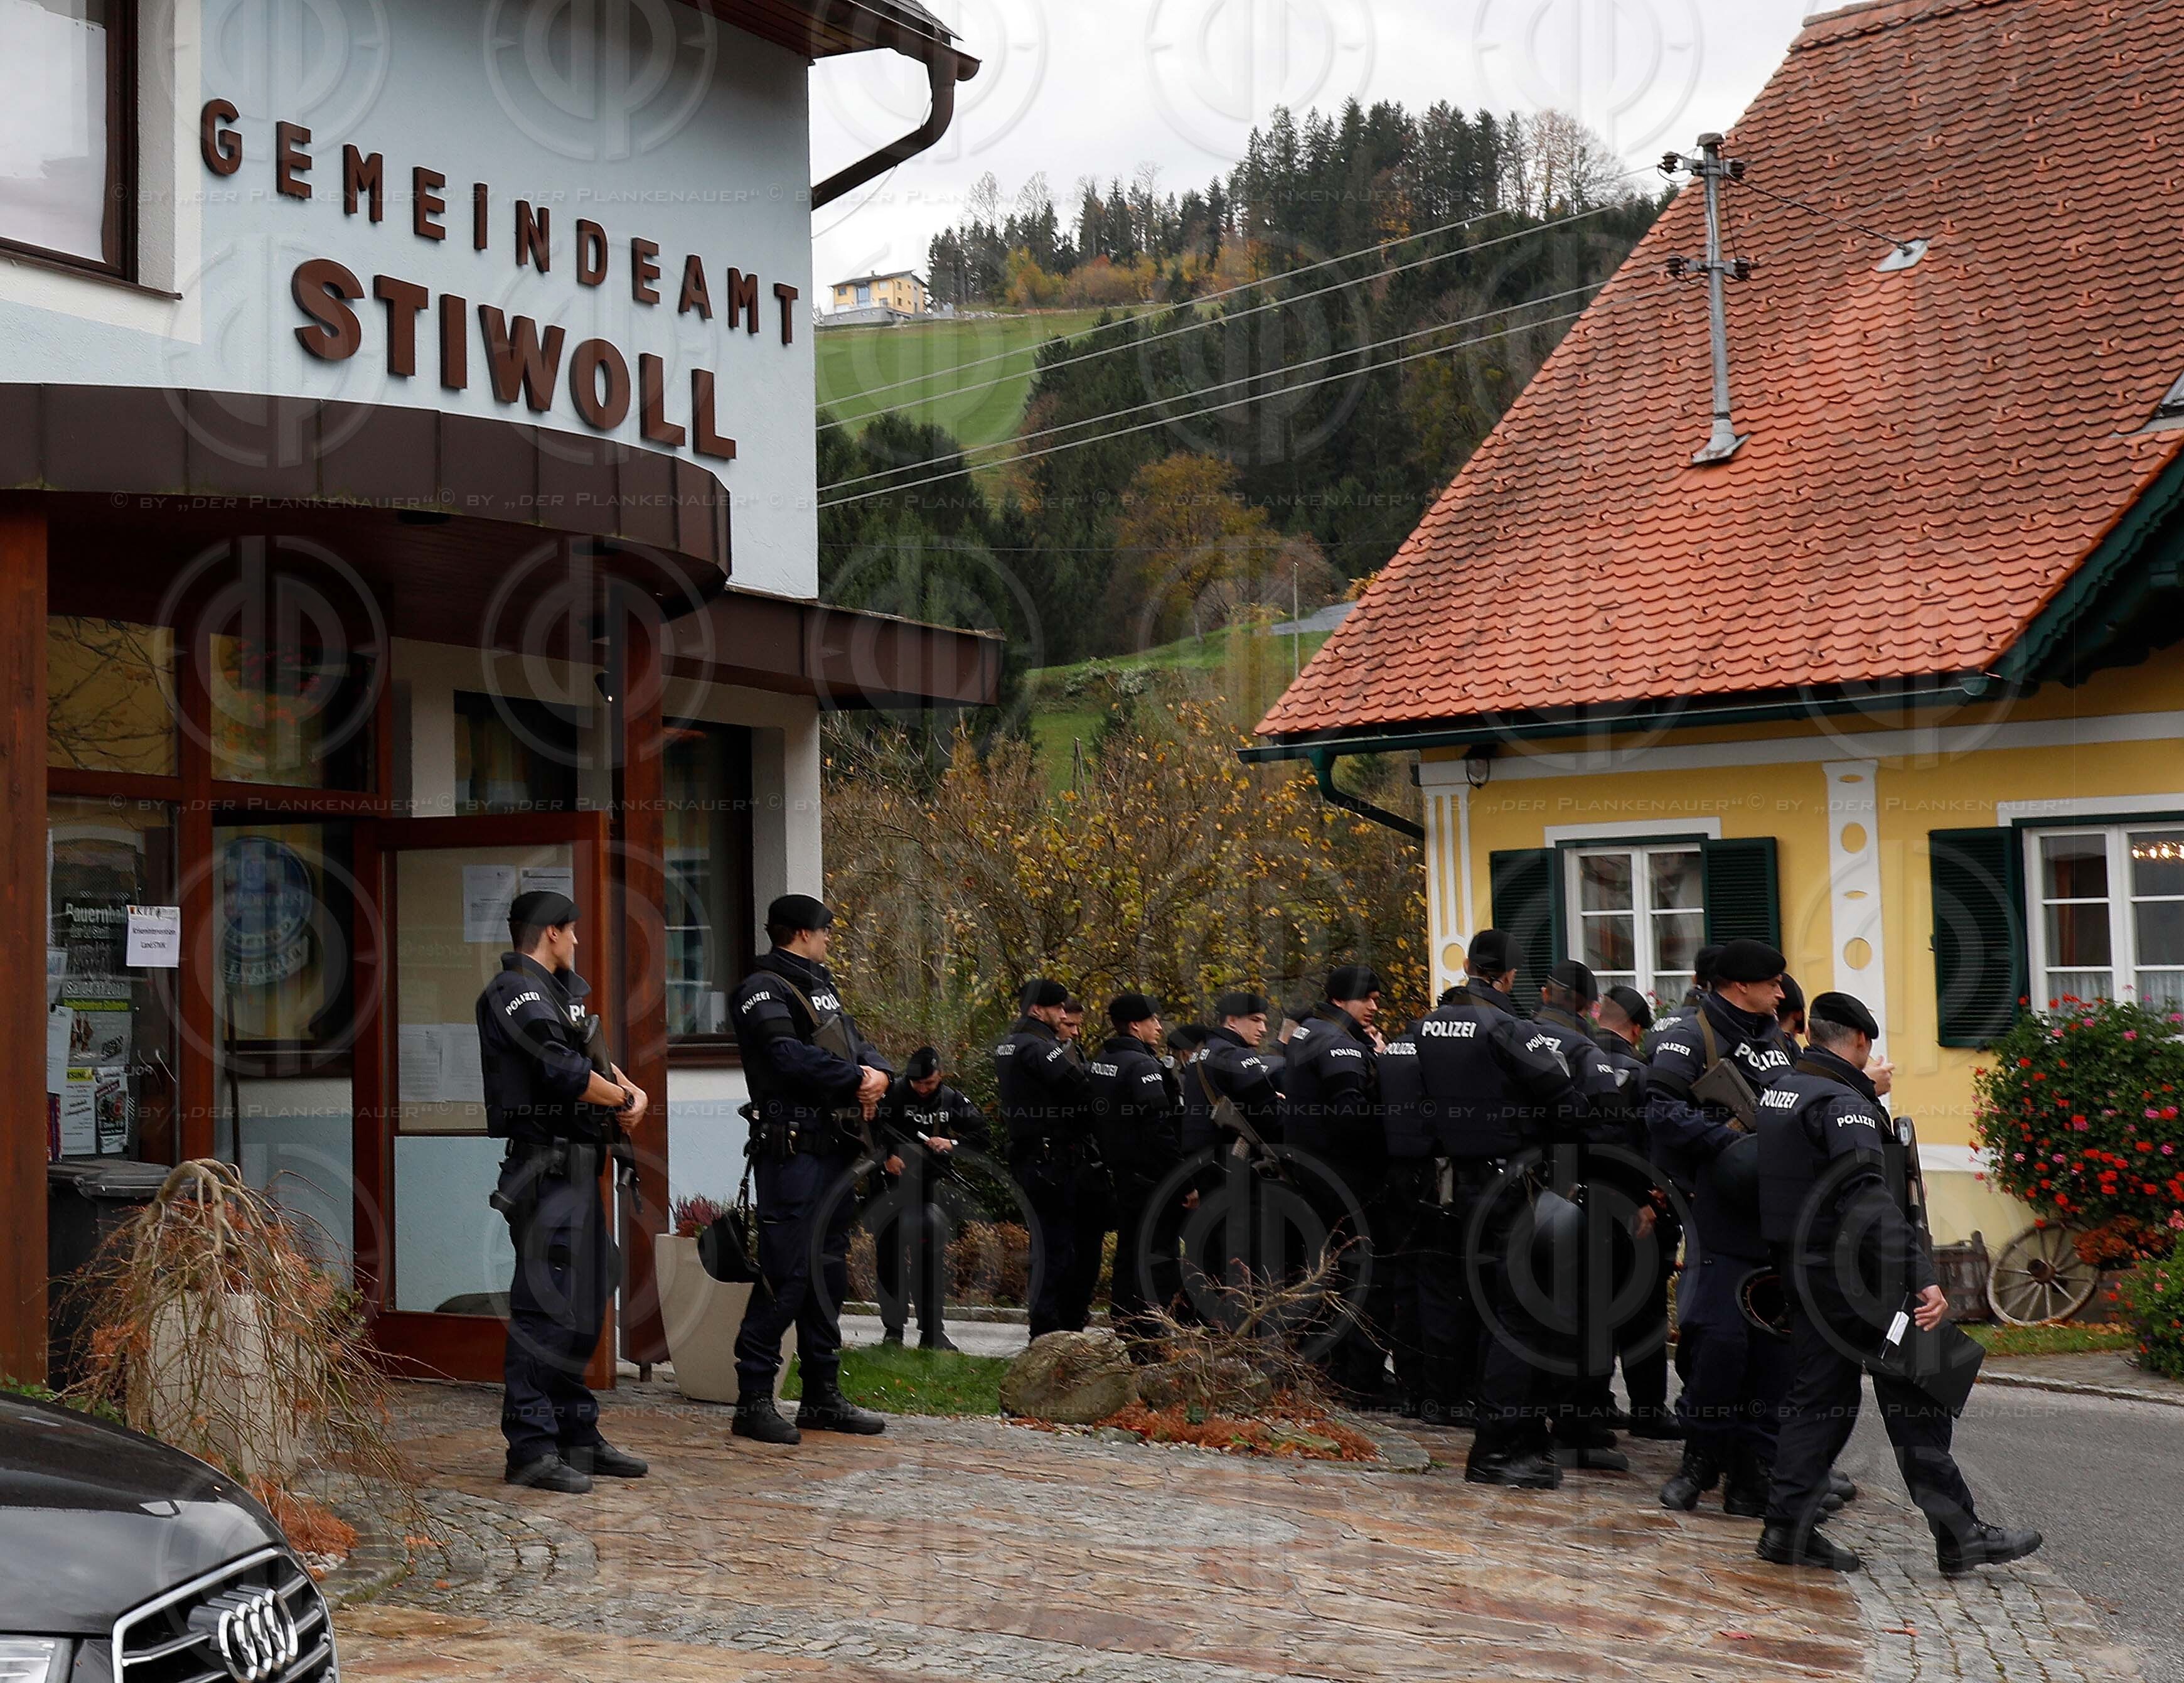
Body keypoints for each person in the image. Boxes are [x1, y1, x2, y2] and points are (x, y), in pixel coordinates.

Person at [1755, 992, 2044, 1576]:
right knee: (1921, 1386)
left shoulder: (1784, 1089)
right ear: (1859, 1042)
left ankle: (1786, 1527)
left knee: (1820, 1398)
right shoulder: (1845, 1104)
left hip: (1804, 1270)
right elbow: (1866, 1198)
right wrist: (1921, 1277)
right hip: (1859, 1276)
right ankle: (1960, 1533)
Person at [476, 890, 653, 1495]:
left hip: (579, 1171)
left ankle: (576, 1432)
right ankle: (529, 1444)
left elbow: (591, 1057)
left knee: (585, 1299)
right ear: (550, 932)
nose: (577, 941)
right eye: (571, 931)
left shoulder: (560, 994)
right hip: (543, 1172)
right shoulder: (515, 993)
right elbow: (562, 1070)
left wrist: (631, 1093)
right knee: (545, 1310)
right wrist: (623, 1100)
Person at [1411, 931, 1598, 1488]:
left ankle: (1511, 1437)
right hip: (1510, 1185)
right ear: (1511, 975)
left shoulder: (1425, 1027)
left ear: (1469, 965)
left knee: (1480, 1312)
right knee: (1519, 1319)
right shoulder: (1509, 1027)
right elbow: (1567, 1104)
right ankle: (1497, 1448)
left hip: (1453, 1186)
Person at [727, 894, 892, 1445]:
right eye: (825, 930)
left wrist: (879, 1075)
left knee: (826, 1272)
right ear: (800, 932)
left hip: (834, 1150)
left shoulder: (819, 983)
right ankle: (754, 1397)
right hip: (792, 1151)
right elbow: (785, 1055)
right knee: (786, 1270)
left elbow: (853, 1041)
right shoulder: (762, 989)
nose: (829, 939)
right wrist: (854, 1078)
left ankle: (821, 1394)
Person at [1647, 938, 1797, 1516]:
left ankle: (1753, 1475)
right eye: (1772, 982)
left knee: (1773, 1354)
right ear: (1739, 985)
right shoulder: (1690, 1037)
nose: (1781, 992)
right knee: (1717, 1345)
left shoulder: (1778, 1040)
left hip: (1775, 1217)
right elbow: (1659, 1108)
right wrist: (1732, 1144)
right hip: (1721, 1212)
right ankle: (1700, 1461)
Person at [1528, 960, 1641, 1470]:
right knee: (1590, 1315)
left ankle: (1547, 1418)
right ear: (1587, 1005)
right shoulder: (1586, 1051)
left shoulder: (1516, 1039)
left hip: (1522, 1196)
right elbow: (1611, 1131)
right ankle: (1579, 1425)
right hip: (1584, 1197)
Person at [1278, 966, 1391, 1405]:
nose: (1375, 1008)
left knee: (1326, 1275)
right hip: (1344, 1178)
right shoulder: (1340, 1044)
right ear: (1345, 1000)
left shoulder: (1309, 1032)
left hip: (1312, 1175)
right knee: (1361, 1277)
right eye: (1370, 999)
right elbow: (1351, 1116)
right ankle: (1360, 1380)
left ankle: (1330, 1372)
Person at [1593, 984, 1680, 1440]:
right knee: (1644, 1312)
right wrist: (1654, 1198)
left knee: (1594, 1308)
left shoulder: (1575, 1063)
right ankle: (1648, 1410)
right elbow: (1650, 1143)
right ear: (1638, 1029)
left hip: (1584, 1204)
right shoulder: (1642, 1073)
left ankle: (1596, 1404)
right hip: (1638, 1211)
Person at [997, 980, 1101, 1340]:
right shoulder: (1042, 1049)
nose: (1062, 1015)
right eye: (1058, 1009)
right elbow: (1083, 1091)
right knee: (1058, 1251)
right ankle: (1050, 1336)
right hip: (1052, 1162)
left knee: (1045, 1246)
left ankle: (1047, 1331)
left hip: (1029, 1158)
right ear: (1038, 1010)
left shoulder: (1010, 1045)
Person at [1088, 994, 1187, 1348]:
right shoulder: (1143, 1066)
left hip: (1122, 1176)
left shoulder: (1102, 1061)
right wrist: (1182, 1177)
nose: (1159, 1027)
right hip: (1151, 1179)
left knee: (1128, 1255)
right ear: (1135, 1025)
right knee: (1157, 1256)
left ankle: (1127, 1325)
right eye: (1153, 1020)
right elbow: (1159, 1128)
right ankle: (1151, 1332)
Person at [871, 1047, 983, 1352]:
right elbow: (867, 1129)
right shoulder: (892, 1094)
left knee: (930, 1262)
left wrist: (951, 1143)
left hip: (931, 1188)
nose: (922, 1089)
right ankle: (893, 1331)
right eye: (917, 1083)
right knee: (890, 1260)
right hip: (890, 1189)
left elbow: (982, 1135)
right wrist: (887, 1158)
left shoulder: (951, 1100)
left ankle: (932, 1333)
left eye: (929, 1084)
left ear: (940, 1077)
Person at [1179, 989, 1288, 1299]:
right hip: (1235, 1166)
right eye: (1255, 1021)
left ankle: (1217, 1330)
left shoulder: (1201, 1053)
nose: (1263, 1029)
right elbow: (1269, 1116)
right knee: (1242, 1255)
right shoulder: (1237, 1056)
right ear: (1231, 1021)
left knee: (1214, 1252)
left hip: (1205, 1166)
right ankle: (1242, 1334)